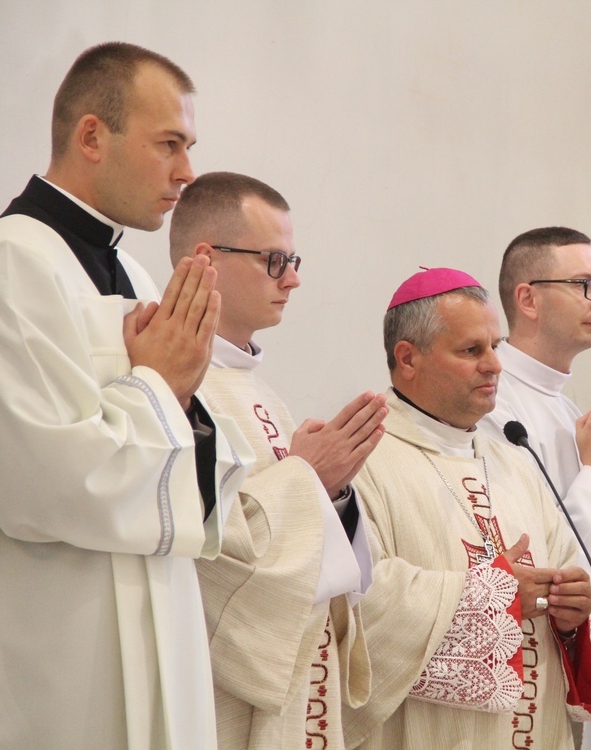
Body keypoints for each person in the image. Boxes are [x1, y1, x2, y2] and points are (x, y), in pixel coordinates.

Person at [0, 43, 253, 749]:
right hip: (56, 661)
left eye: (188, 148)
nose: (187, 172)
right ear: (92, 136)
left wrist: (182, 398)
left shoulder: (137, 277)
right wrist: (160, 385)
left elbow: (183, 449)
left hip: (156, 633)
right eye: (169, 144)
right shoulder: (9, 263)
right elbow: (48, 480)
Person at [342, 267, 591, 748]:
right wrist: (494, 597)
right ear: (408, 358)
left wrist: (573, 615)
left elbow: (569, 571)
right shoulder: (359, 459)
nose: (494, 365)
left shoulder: (515, 462)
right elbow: (358, 609)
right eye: (471, 350)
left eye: (495, 346)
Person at [168, 171, 387, 749]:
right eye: (274, 261)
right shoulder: (176, 389)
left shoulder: (263, 394)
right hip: (222, 695)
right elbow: (210, 556)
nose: (292, 279)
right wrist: (307, 477)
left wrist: (334, 492)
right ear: (207, 260)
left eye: (293, 261)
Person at [482, 227, 591, 749]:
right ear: (528, 298)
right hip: (525, 665)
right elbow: (530, 546)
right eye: (585, 286)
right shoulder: (492, 404)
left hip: (578, 645)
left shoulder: (564, 405)